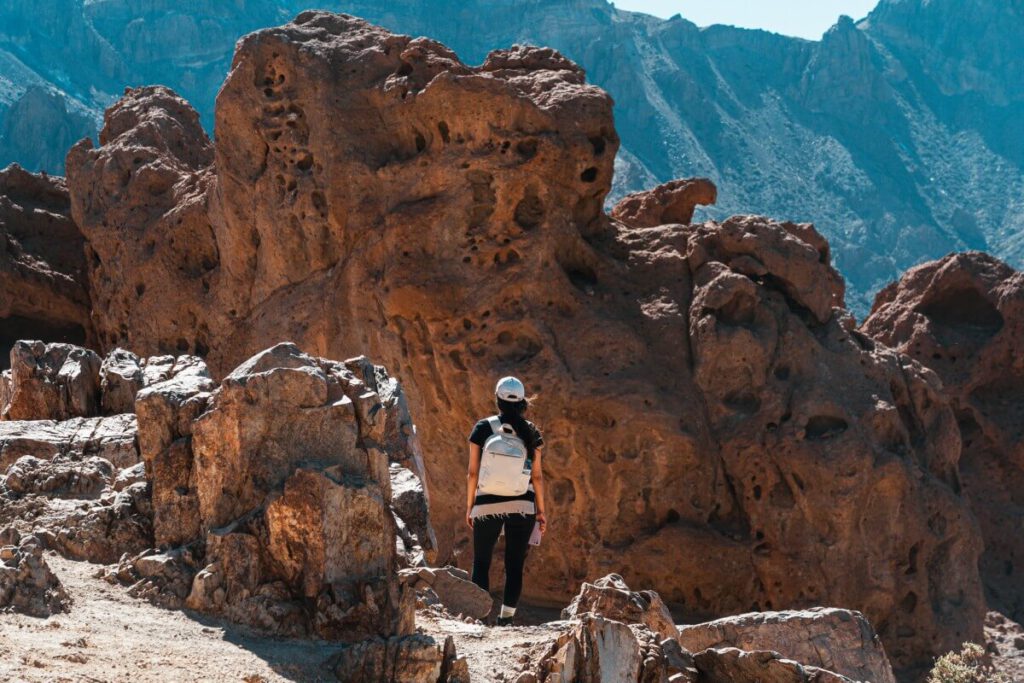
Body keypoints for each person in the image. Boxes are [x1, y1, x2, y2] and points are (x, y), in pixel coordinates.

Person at [466, 376, 548, 626]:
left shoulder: (482, 428)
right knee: (514, 565)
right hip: (522, 506)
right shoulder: (531, 432)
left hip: (486, 504)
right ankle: (506, 621)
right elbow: (537, 477)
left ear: (497, 399)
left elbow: (472, 472)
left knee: (481, 561)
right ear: (523, 402)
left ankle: (479, 618)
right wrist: (541, 512)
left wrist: (470, 506)